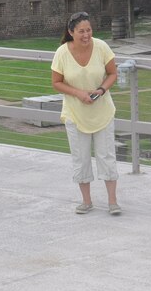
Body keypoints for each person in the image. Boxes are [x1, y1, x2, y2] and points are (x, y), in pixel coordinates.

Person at [51, 11, 121, 215]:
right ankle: (86, 201)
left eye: (88, 30)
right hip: (75, 113)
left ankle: (112, 201)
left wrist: (100, 90)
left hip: (103, 112)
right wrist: (79, 93)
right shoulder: (62, 52)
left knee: (106, 156)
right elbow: (56, 82)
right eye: (81, 31)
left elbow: (113, 73)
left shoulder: (101, 47)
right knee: (80, 158)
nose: (86, 35)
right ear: (71, 32)